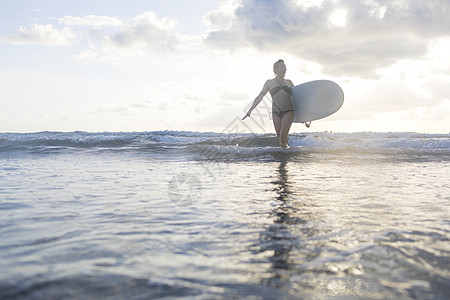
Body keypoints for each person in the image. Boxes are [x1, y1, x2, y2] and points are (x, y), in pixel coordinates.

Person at [243, 59, 308, 149]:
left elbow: (297, 99)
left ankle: (285, 156)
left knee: (283, 138)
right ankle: (284, 159)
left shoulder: (289, 82)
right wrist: (250, 111)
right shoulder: (269, 83)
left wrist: (305, 117)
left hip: (288, 111)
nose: (285, 69)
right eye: (282, 67)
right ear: (275, 69)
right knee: (281, 140)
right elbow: (260, 96)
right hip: (275, 113)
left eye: (285, 67)